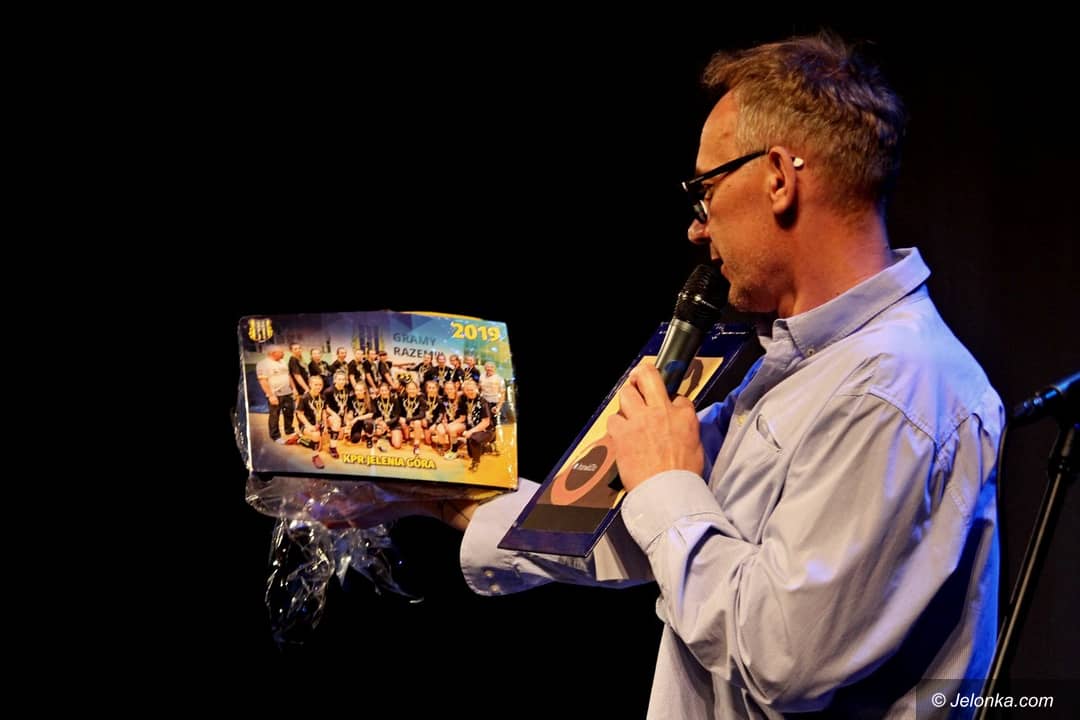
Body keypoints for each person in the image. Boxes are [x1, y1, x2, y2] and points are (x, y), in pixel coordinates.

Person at [401, 34, 1002, 718]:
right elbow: (643, 534)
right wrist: (432, 490)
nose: (697, 228)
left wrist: (665, 483)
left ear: (777, 178)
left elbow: (780, 655)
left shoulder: (893, 391)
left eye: (705, 190)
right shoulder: (804, 364)